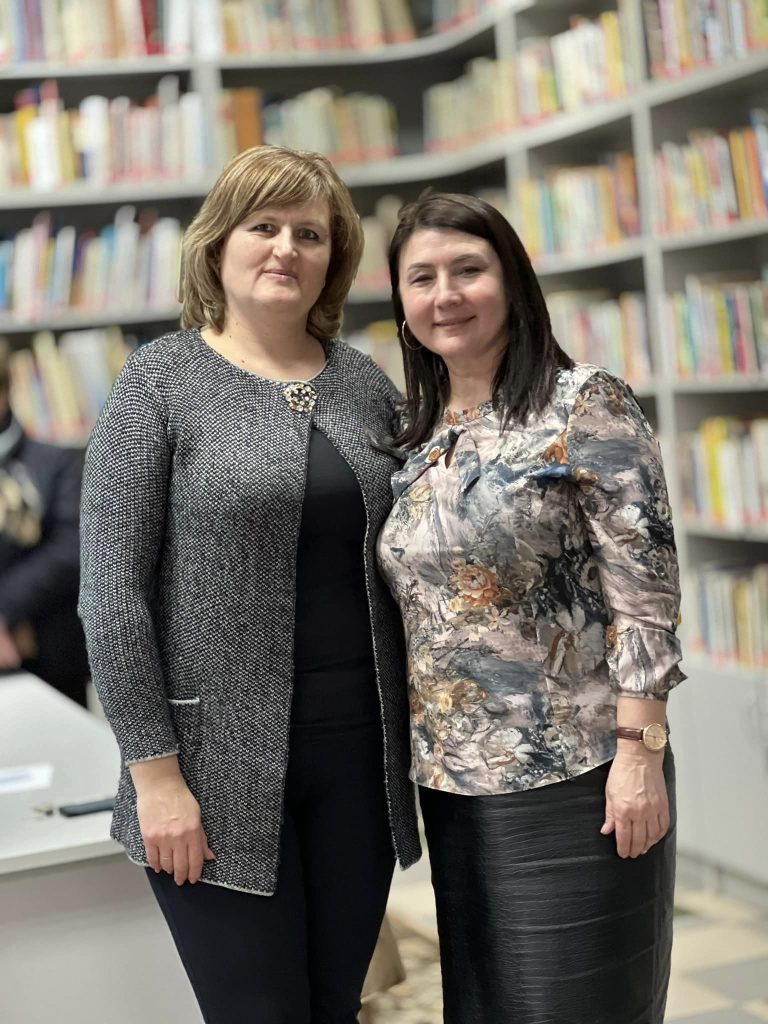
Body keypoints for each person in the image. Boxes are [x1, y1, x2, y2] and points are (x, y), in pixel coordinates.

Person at [78, 144, 420, 1024]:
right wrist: (155, 777)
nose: (285, 249)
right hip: (209, 770)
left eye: (310, 233)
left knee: (335, 1008)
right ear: (218, 243)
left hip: (359, 763)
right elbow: (111, 596)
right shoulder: (160, 380)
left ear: (333, 258)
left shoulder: (363, 382)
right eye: (263, 226)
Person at [376, 192, 685, 1024]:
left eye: (468, 270)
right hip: (453, 786)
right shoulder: (415, 431)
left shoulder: (584, 404)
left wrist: (640, 755)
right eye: (422, 277)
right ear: (401, 302)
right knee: (487, 1007)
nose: (446, 294)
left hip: (580, 775)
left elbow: (645, 599)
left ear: (512, 281)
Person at [0, 340, 88, 705]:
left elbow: (71, 549)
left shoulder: (56, 463)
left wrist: (4, 609)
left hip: (50, 658)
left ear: (5, 392)